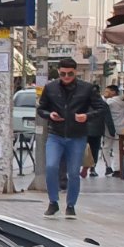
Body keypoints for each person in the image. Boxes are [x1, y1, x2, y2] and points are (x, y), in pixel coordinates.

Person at [37, 58, 108, 219]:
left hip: (77, 136)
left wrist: (86, 116)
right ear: (58, 72)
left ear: (75, 72)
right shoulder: (50, 87)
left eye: (70, 74)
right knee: (51, 167)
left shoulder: (87, 88)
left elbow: (101, 108)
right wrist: (50, 115)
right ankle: (53, 202)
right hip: (55, 134)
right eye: (63, 74)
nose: (66, 77)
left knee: (74, 172)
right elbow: (41, 108)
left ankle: (71, 205)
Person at [103, 85, 124, 178]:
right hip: (121, 129)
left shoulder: (110, 101)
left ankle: (108, 167)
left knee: (106, 148)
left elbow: (101, 104)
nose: (105, 93)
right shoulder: (123, 102)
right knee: (117, 150)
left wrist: (104, 97)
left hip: (110, 130)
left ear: (113, 92)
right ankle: (118, 170)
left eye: (107, 91)